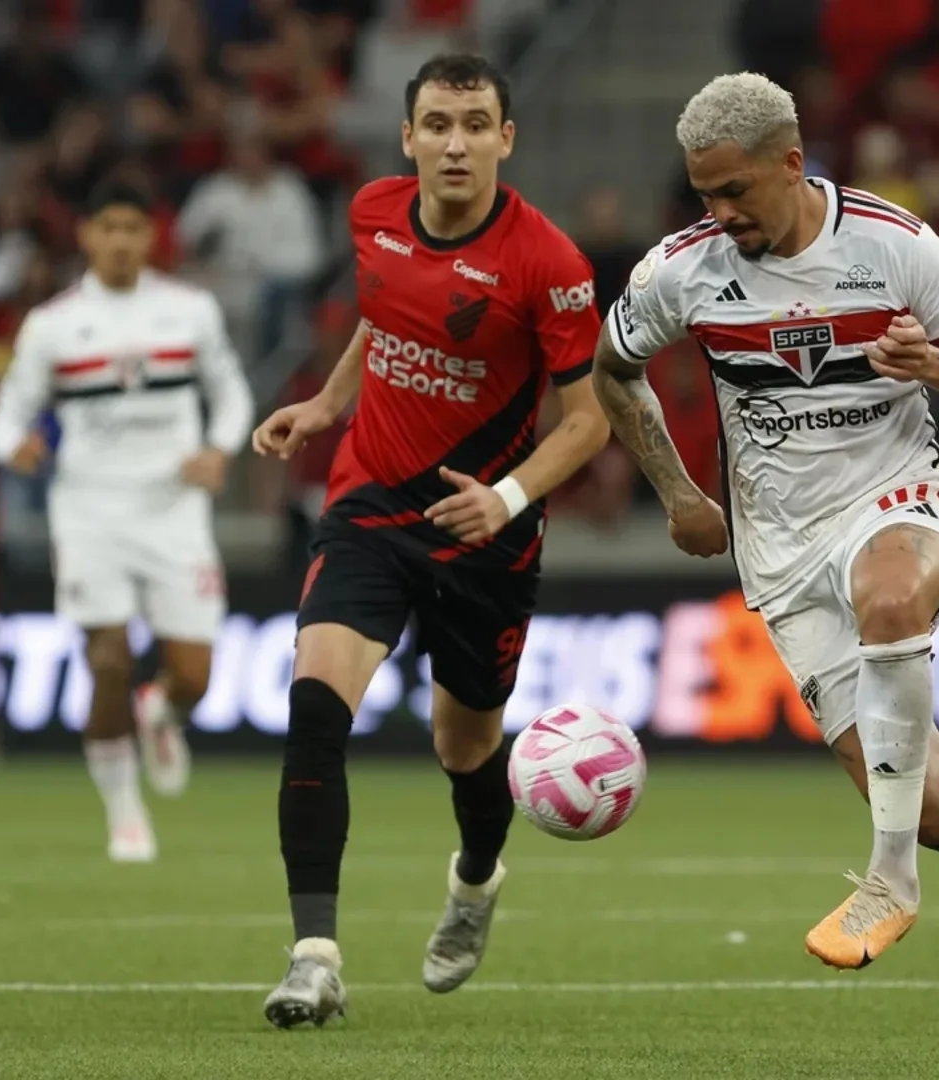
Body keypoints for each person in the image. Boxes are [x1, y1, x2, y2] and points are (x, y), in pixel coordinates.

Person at [592, 72, 939, 991]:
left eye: (735, 189)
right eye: (704, 194)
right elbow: (612, 371)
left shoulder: (894, 247)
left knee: (888, 595)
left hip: (899, 500)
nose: (719, 211)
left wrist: (938, 365)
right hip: (782, 549)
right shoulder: (681, 272)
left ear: (792, 163)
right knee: (927, 805)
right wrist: (679, 492)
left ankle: (889, 884)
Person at [248, 54, 610, 1029]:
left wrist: (506, 497)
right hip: (369, 506)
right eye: (438, 124)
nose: (457, 142)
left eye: (475, 123)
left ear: (505, 138)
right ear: (408, 138)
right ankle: (314, 956)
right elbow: (385, 313)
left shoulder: (550, 264)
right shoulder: (372, 212)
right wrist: (327, 403)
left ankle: (477, 880)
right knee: (316, 707)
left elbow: (587, 423)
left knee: (467, 747)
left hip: (482, 534)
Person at [0, 179, 253, 864]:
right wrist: (14, 445)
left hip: (174, 511)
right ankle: (125, 811)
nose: (123, 241)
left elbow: (230, 394)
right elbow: (8, 414)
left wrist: (218, 450)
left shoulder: (190, 311)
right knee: (106, 657)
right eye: (111, 228)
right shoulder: (53, 324)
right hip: (89, 511)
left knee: (193, 675)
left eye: (135, 228)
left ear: (151, 236)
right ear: (88, 236)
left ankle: (160, 710)